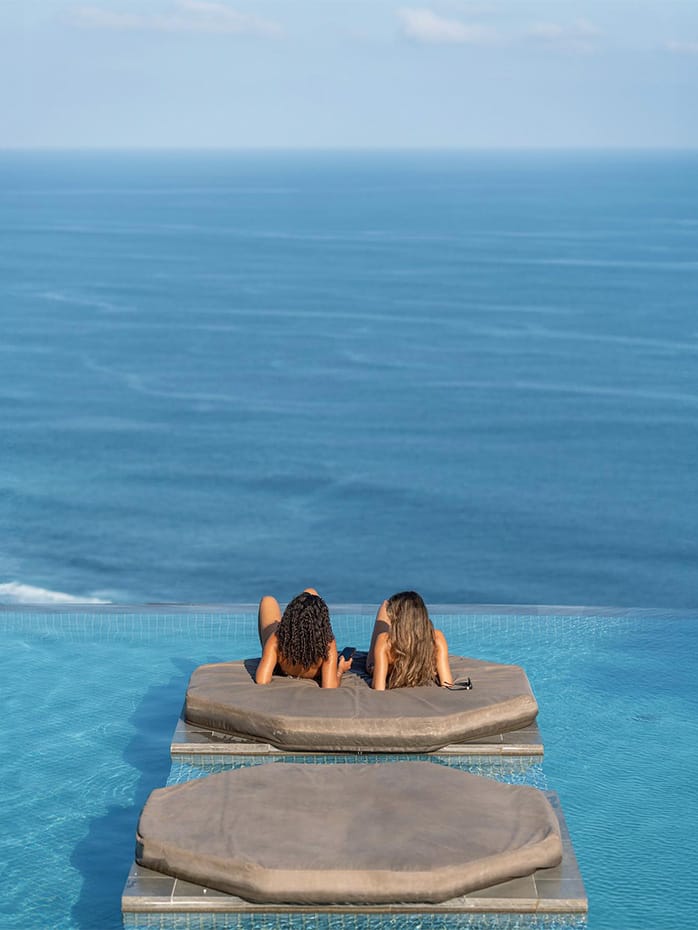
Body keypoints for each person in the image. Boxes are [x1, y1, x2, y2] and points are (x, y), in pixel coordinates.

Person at [255, 588, 353, 687]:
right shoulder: (327, 644)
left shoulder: (277, 639)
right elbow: (329, 686)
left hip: (284, 665)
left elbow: (261, 680)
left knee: (268, 600)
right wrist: (340, 670)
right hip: (312, 667)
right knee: (311, 592)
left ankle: (295, 619)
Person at [366, 590, 453, 690]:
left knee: (385, 605)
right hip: (419, 668)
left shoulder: (384, 641)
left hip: (390, 671)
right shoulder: (436, 637)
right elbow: (447, 683)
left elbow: (378, 688)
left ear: (399, 620)